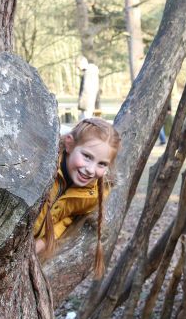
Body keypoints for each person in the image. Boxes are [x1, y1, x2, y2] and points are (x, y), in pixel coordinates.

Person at [34, 117, 121, 277]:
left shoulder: (93, 196)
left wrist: (42, 243)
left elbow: (67, 219)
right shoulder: (41, 166)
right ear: (69, 144)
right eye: (87, 156)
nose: (90, 169)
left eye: (101, 164)